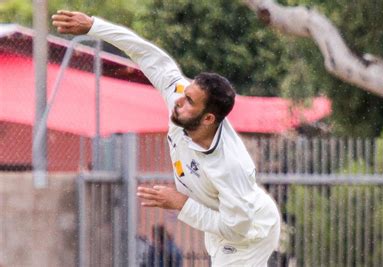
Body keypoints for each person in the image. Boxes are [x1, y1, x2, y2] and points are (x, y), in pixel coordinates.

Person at [52, 10, 281, 266]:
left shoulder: (230, 165)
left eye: (190, 101)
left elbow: (237, 229)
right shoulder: (179, 97)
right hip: (223, 224)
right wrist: (94, 26)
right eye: (185, 93)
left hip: (249, 234)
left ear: (208, 119)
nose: (179, 100)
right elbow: (148, 55)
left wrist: (180, 203)